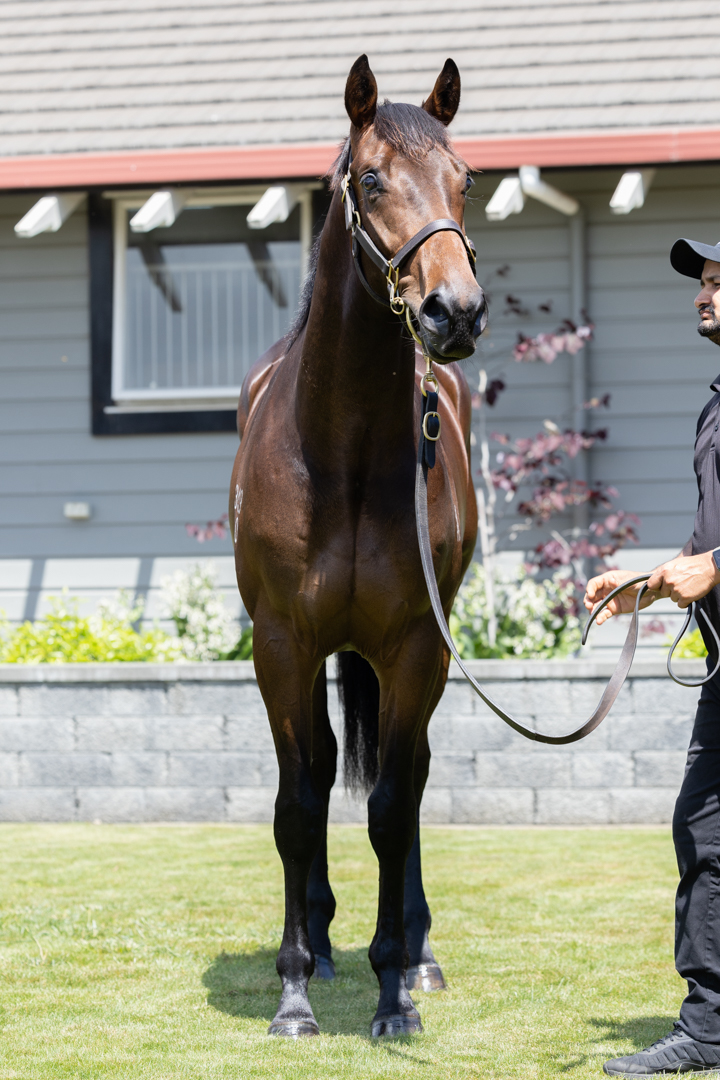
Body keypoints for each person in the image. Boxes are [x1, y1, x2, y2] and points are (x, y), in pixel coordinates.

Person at [586, 237, 720, 1075]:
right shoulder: (714, 409)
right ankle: (708, 1027)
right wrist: (644, 586)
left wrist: (716, 568)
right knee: (701, 828)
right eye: (703, 282)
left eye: (719, 282)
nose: (703, 295)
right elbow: (707, 542)